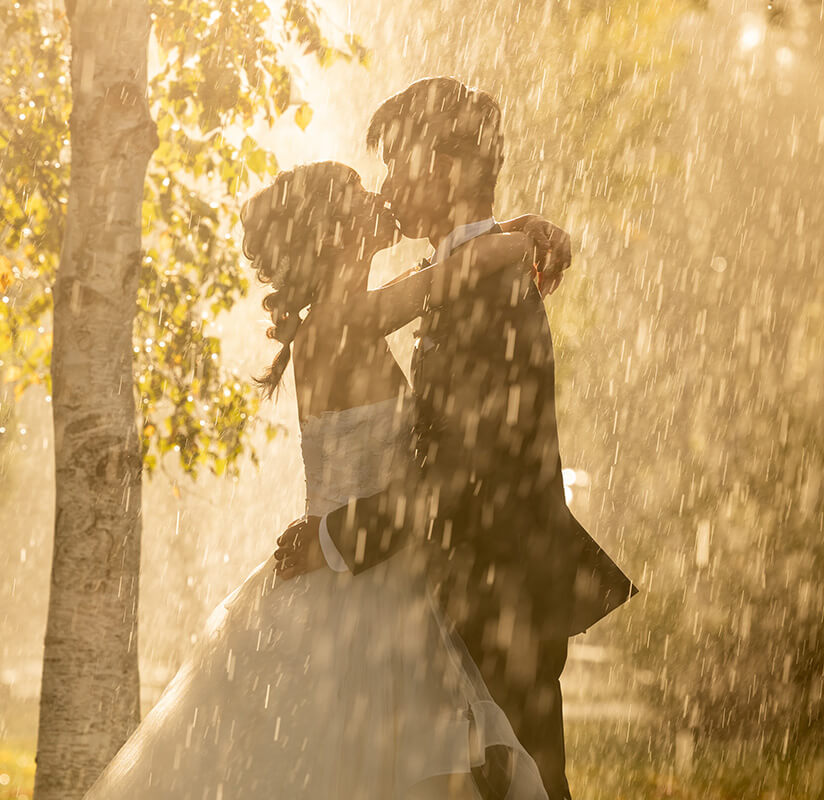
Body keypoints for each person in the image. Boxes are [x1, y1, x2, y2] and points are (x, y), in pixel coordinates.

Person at [85, 160, 563, 799]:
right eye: (358, 193)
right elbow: (447, 276)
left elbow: (435, 277)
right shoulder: (341, 322)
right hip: (351, 589)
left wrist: (506, 230)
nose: (379, 195)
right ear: (335, 233)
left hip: (364, 568)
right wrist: (522, 238)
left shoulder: (347, 315)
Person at [273, 78, 637, 800]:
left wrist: (336, 538)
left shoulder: (488, 289)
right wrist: (517, 231)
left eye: (395, 164)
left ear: (445, 170)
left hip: (494, 604)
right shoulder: (473, 277)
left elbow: (456, 473)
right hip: (482, 600)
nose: (387, 186)